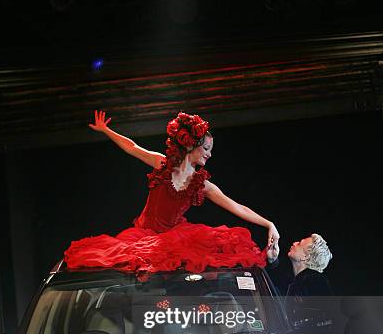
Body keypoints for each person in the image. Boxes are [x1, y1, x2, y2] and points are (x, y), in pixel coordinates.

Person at [64, 110, 279, 273]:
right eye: (206, 149)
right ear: (190, 146)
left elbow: (236, 206)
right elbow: (132, 148)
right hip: (143, 236)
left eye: (210, 151)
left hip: (175, 239)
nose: (209, 155)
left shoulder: (201, 184)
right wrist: (105, 130)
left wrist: (269, 224)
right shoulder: (162, 165)